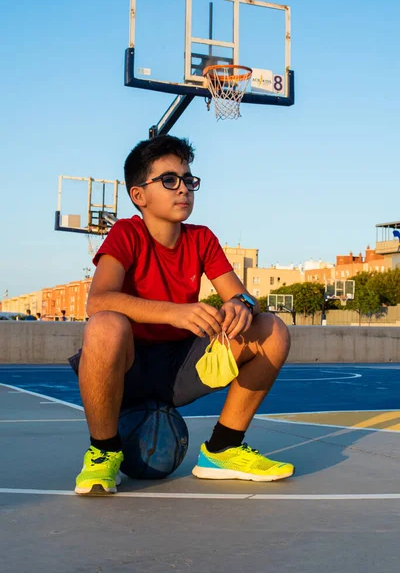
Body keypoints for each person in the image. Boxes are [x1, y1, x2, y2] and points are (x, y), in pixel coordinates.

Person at [70, 135, 294, 495]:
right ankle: (103, 452)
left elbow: (242, 294)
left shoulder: (202, 238)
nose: (183, 189)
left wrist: (241, 304)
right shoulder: (127, 232)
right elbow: (98, 301)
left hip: (182, 366)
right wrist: (172, 313)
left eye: (188, 180)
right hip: (129, 368)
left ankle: (224, 448)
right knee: (105, 325)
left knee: (272, 330)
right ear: (139, 195)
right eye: (169, 180)